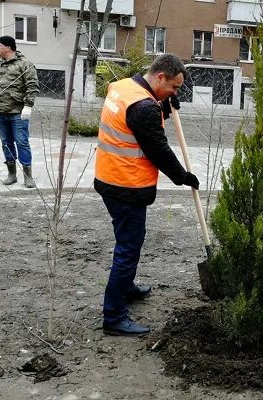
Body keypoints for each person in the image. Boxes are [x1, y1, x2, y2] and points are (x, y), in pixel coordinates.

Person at [94, 54, 199, 336]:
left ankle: (125, 287)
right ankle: (114, 317)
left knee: (127, 242)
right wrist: (182, 176)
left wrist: (163, 105)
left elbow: (134, 121)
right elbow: (157, 149)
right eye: (174, 88)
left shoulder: (123, 87)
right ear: (160, 77)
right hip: (126, 186)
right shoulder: (143, 107)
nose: (175, 93)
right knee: (128, 249)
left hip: (108, 177)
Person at [0, 35, 39, 188]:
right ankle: (12, 174)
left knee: (22, 142)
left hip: (18, 113)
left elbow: (32, 86)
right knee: (6, 143)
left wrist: (28, 106)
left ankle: (28, 176)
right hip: (0, 113)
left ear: (8, 47)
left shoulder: (25, 64)